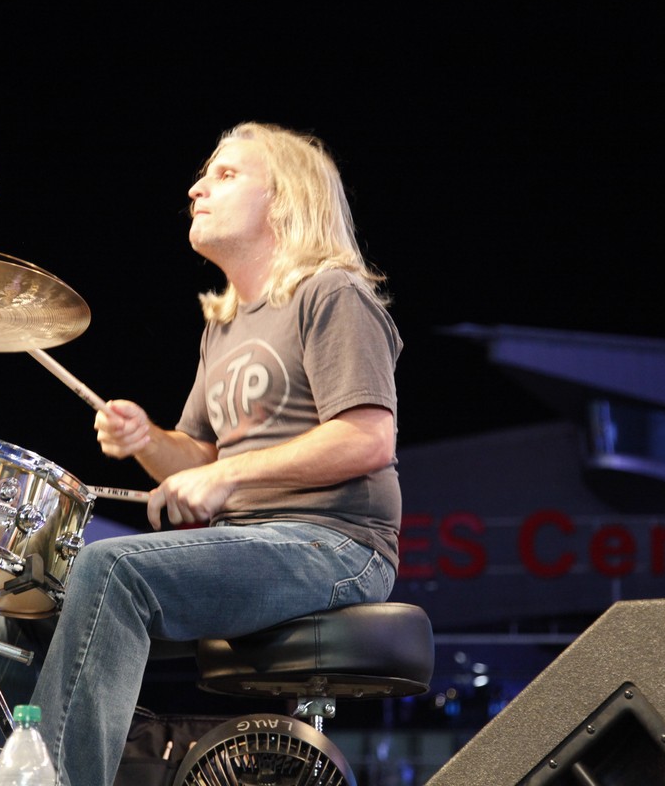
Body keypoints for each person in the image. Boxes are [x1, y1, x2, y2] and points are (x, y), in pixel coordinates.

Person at [27, 121, 403, 786]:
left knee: (113, 569)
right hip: (253, 540)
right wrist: (147, 441)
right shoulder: (224, 325)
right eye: (205, 175)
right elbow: (201, 462)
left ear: (283, 199)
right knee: (25, 598)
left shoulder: (331, 292)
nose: (197, 189)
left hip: (338, 545)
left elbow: (367, 437)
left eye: (226, 175)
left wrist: (228, 473)